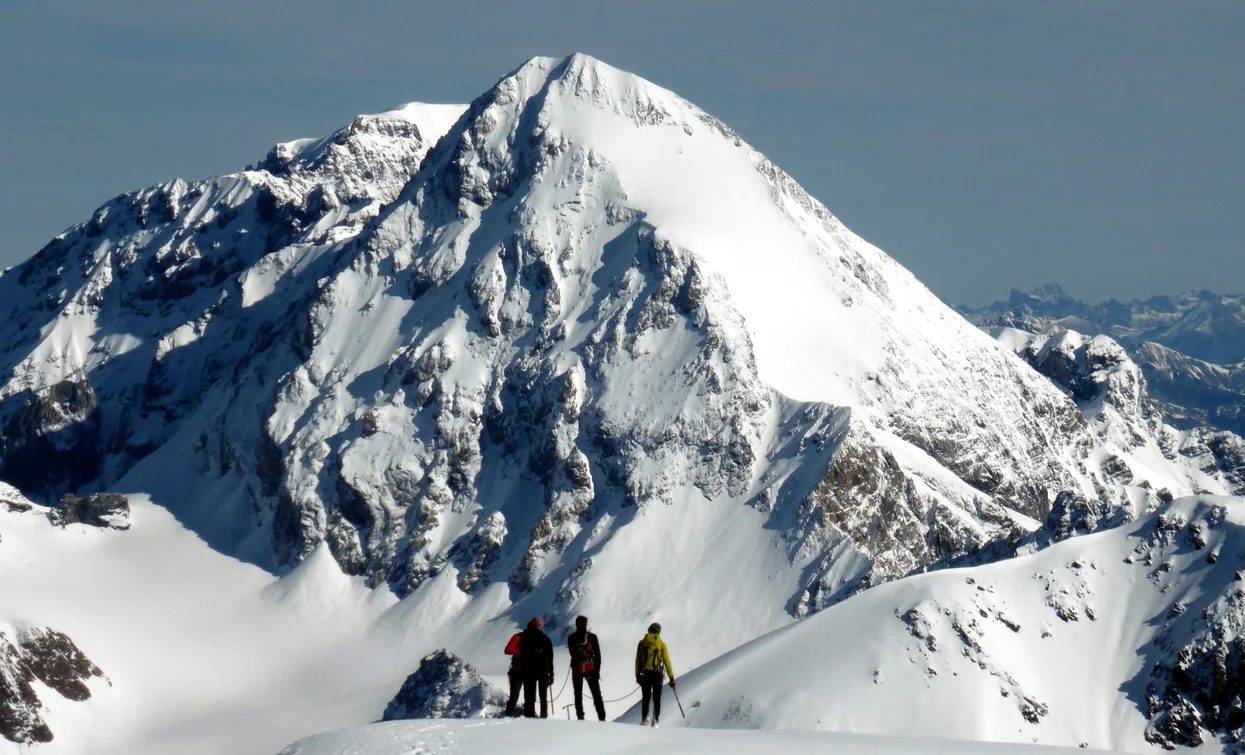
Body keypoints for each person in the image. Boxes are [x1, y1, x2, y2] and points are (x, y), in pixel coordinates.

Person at [635, 622, 676, 727]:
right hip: (657, 674)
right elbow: (667, 662)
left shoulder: (642, 643)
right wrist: (671, 678)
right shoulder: (662, 645)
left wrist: (637, 675)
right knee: (657, 699)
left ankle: (644, 719)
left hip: (645, 674)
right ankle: (655, 720)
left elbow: (637, 660)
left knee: (646, 697)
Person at [567, 615, 606, 721]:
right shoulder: (592, 637)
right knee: (596, 695)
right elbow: (597, 655)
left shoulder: (571, 638)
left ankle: (580, 717)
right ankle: (601, 717)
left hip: (577, 670)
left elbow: (572, 653)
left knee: (578, 695)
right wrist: (597, 670)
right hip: (591, 670)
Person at [517, 617, 554, 718]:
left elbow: (521, 655)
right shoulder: (546, 640)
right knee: (543, 697)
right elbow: (550, 659)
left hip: (529, 670)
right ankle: (543, 716)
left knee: (529, 696)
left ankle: (529, 715)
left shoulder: (525, 638)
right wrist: (551, 674)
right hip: (543, 671)